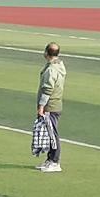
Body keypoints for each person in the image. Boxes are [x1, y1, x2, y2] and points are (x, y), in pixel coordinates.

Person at [36, 42, 66, 172]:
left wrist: (41, 106)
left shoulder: (51, 70)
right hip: (56, 104)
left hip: (51, 106)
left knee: (52, 134)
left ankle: (55, 161)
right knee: (50, 133)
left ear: (46, 53)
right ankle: (50, 159)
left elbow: (47, 90)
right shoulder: (59, 66)